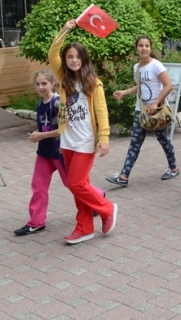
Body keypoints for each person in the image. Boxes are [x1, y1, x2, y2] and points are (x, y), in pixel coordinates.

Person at [48, 20, 117, 244]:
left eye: (78, 57)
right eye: (70, 57)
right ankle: (85, 228)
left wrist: (104, 139)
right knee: (79, 186)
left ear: (84, 60)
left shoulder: (93, 84)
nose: (74, 60)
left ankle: (106, 208)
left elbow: (102, 111)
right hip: (67, 140)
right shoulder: (63, 79)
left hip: (86, 141)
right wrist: (65, 29)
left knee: (76, 184)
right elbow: (52, 52)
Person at [14, 70, 105, 236]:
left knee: (72, 184)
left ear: (53, 84)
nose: (41, 87)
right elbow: (45, 125)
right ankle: (36, 222)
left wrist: (42, 135)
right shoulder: (40, 104)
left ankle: (97, 196)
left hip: (60, 151)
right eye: (37, 84)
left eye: (44, 84)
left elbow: (64, 128)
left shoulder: (59, 102)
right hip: (44, 152)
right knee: (38, 185)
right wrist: (37, 133)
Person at [107, 36, 178, 188]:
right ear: (136, 49)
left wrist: (155, 103)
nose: (144, 48)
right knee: (135, 143)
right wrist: (124, 92)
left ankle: (174, 168)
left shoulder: (156, 65)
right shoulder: (137, 67)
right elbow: (140, 87)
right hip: (141, 112)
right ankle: (124, 176)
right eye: (140, 45)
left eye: (146, 45)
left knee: (163, 140)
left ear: (151, 48)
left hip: (157, 111)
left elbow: (168, 85)